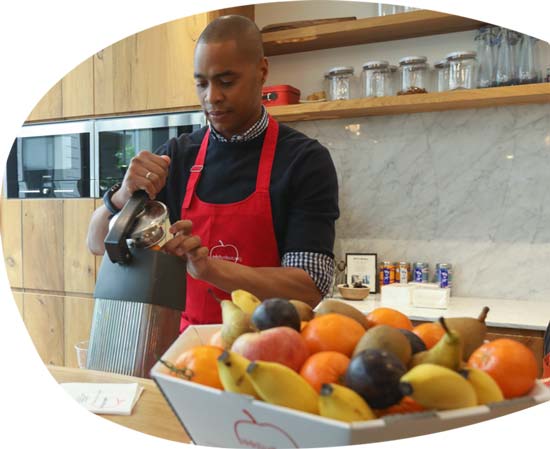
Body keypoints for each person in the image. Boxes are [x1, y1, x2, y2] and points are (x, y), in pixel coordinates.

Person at [87, 15, 339, 332]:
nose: (212, 97)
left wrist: (210, 269)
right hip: (182, 351)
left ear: (262, 71)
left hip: (271, 353)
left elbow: (309, 287)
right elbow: (97, 241)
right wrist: (122, 196)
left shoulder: (304, 160)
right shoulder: (176, 155)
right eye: (201, 83)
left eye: (226, 81)